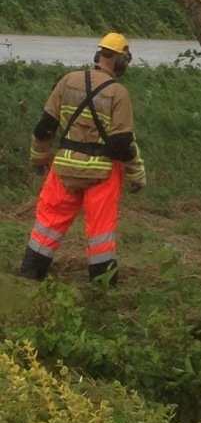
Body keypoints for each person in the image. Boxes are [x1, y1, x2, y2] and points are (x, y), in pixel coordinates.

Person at [19, 31, 146, 284]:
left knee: (46, 228)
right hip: (102, 173)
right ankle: (102, 290)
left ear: (99, 55)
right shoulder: (118, 93)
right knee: (101, 236)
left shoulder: (68, 81)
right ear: (121, 60)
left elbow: (44, 127)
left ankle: (28, 279)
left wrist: (38, 160)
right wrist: (137, 174)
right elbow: (123, 143)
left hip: (64, 167)